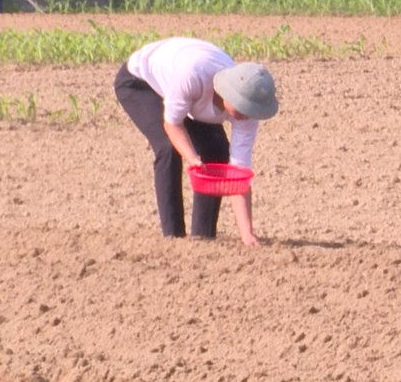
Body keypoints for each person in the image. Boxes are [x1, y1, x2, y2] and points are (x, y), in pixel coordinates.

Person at [113, 37, 278, 246]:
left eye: (250, 110)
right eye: (241, 107)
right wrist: (192, 158)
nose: (245, 115)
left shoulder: (248, 114)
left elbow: (239, 172)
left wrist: (247, 234)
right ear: (229, 93)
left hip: (186, 89)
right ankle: (173, 239)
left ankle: (202, 238)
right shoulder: (192, 77)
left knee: (217, 152)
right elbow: (173, 124)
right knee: (169, 149)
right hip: (141, 82)